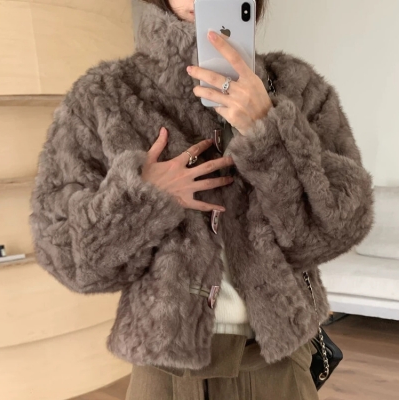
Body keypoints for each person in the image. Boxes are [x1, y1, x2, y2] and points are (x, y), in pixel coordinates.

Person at [29, 0, 374, 399]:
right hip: (164, 374)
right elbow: (65, 254)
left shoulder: (296, 87)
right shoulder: (105, 96)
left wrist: (269, 131)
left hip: (276, 364)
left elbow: (341, 226)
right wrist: (143, 200)